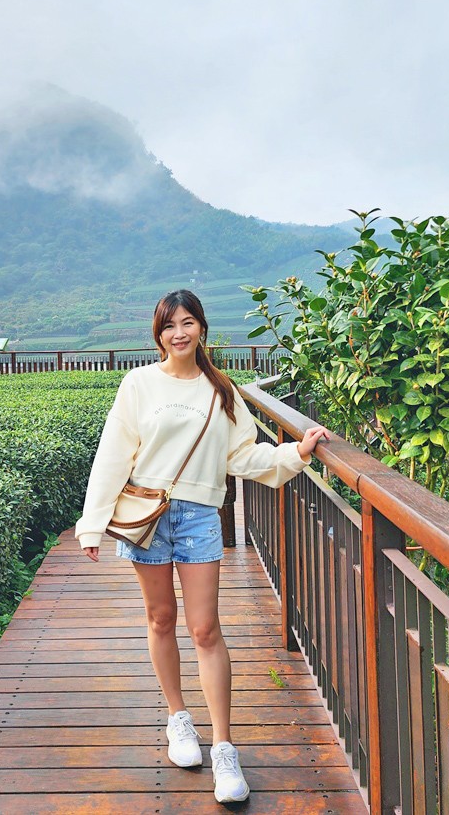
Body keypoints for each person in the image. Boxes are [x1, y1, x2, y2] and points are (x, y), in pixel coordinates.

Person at [74, 289, 331, 804]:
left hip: (199, 517)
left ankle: (224, 747)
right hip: (149, 514)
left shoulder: (222, 390)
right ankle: (178, 719)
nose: (179, 333)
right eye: (170, 325)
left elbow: (244, 455)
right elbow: (114, 453)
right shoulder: (139, 384)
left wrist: (295, 454)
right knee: (160, 619)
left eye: (188, 322)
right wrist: (92, 522)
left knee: (206, 628)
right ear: (158, 333)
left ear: (202, 328)